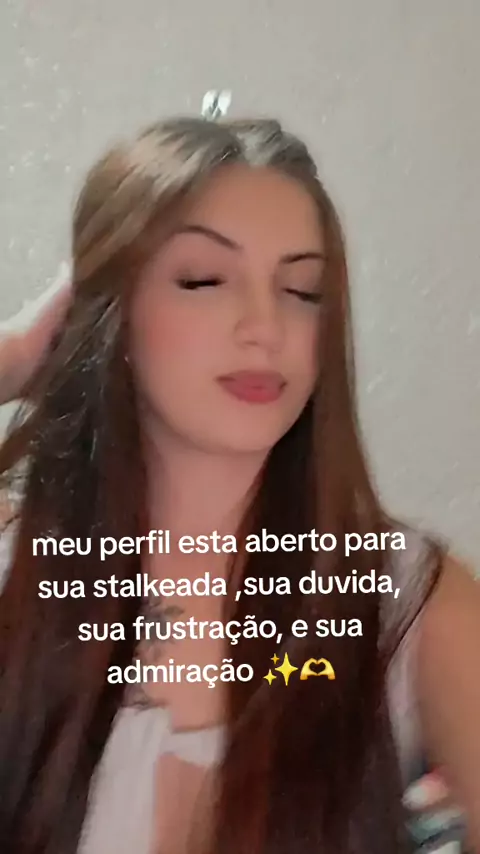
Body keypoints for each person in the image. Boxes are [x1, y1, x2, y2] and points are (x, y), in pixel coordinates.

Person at [0, 115, 478, 854]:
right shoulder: (17, 574)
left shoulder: (411, 603)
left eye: (302, 290)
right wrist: (15, 354)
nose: (265, 326)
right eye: (204, 280)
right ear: (110, 312)